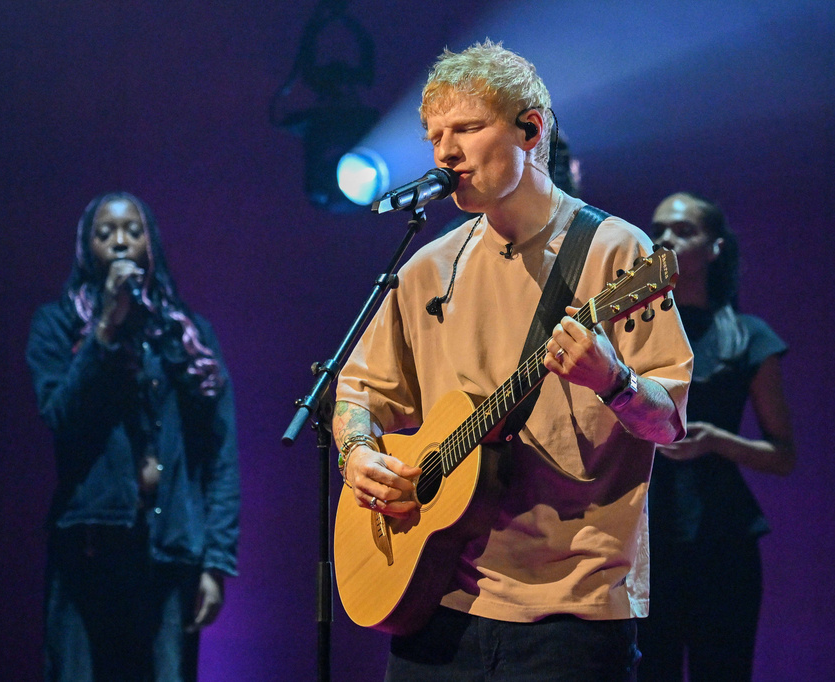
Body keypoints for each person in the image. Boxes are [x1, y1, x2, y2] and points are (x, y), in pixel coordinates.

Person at [332, 41, 693, 681]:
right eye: (434, 135)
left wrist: (614, 381)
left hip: (571, 614)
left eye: (467, 128)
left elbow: (668, 425)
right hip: (434, 599)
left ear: (531, 128)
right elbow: (358, 391)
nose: (445, 152)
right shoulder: (426, 267)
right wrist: (359, 453)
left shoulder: (617, 252)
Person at [26, 192, 240, 682]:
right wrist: (105, 327)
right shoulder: (58, 327)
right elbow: (60, 415)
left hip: (170, 552)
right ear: (86, 249)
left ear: (151, 245)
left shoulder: (189, 335)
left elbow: (220, 455)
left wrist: (216, 562)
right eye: (105, 233)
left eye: (131, 230)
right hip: (88, 549)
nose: (120, 241)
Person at [636, 193, 796, 682]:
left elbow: (782, 454)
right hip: (645, 538)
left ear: (715, 249)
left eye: (684, 231)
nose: (665, 239)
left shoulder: (747, 336)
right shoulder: (634, 331)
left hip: (722, 542)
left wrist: (715, 440)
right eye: (659, 229)